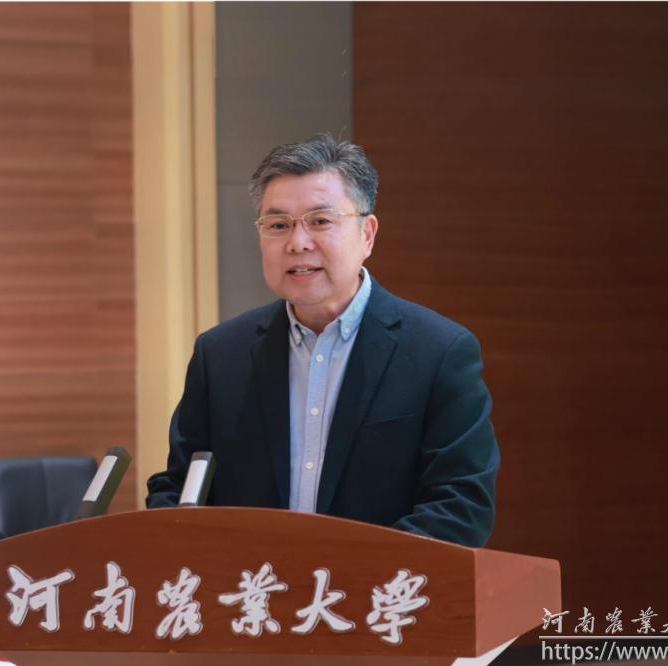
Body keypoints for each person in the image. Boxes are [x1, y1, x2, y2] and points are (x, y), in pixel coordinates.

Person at [146, 134, 501, 547]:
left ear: (367, 234)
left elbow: (461, 506)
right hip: (250, 586)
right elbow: (180, 489)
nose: (298, 243)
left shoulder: (438, 352)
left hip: (377, 586)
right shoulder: (220, 355)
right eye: (278, 225)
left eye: (320, 221)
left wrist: (343, 575)